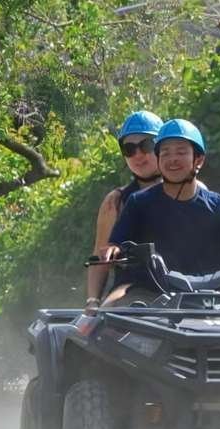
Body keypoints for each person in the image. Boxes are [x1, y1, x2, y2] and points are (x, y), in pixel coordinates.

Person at [100, 118, 220, 307]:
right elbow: (115, 245)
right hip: (149, 295)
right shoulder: (138, 203)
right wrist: (113, 251)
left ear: (198, 159)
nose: (172, 159)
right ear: (158, 160)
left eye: (181, 152)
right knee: (109, 313)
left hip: (212, 299)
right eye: (165, 153)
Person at [85, 111, 161, 310]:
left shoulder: (195, 191)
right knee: (108, 314)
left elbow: (214, 250)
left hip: (187, 284)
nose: (138, 155)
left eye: (146, 145)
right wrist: (93, 301)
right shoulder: (116, 201)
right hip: (132, 287)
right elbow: (99, 256)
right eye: (129, 149)